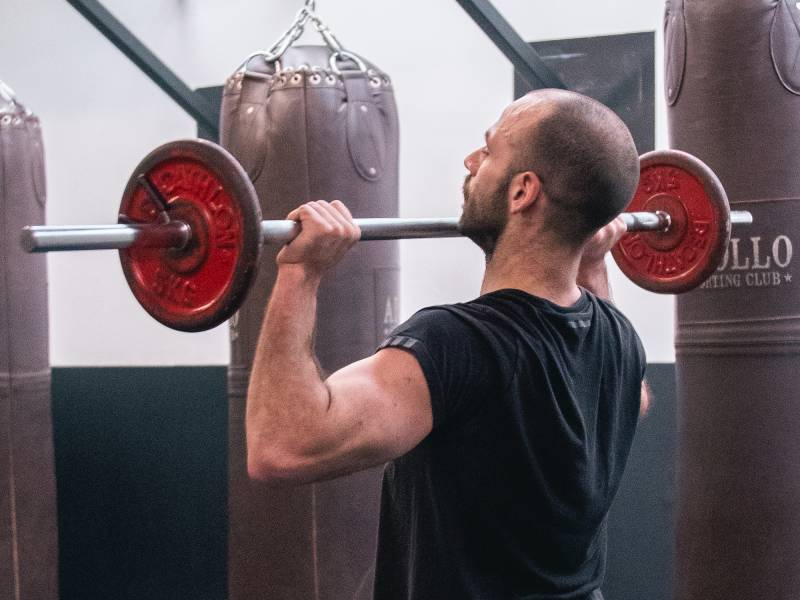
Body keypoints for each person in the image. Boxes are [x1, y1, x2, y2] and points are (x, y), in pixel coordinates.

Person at [245, 89, 648, 600]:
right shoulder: (618, 338)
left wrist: (300, 273)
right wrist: (591, 265)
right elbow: (630, 402)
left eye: (489, 151)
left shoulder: (459, 344)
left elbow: (280, 446)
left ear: (523, 191)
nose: (471, 161)